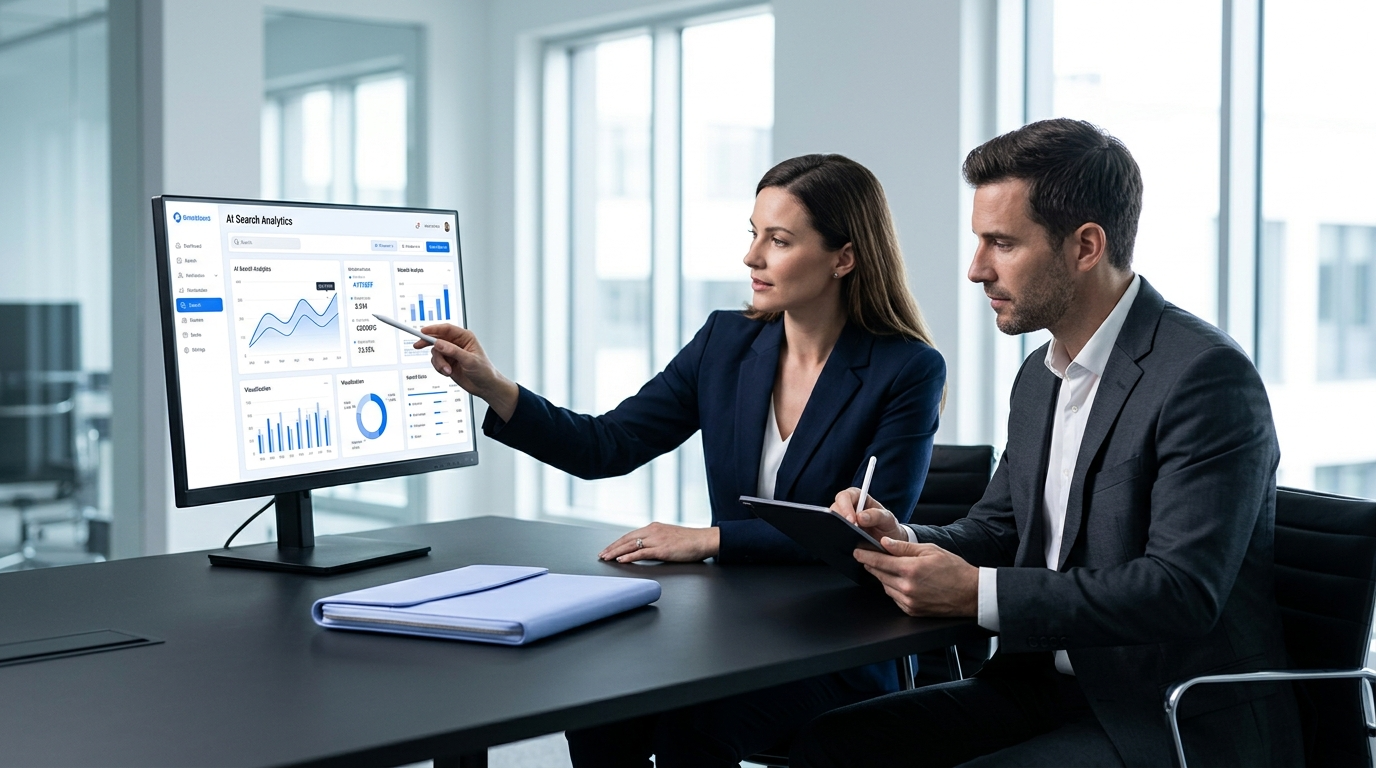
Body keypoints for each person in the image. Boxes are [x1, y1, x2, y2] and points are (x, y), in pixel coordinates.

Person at [793, 119, 1303, 767]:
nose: (977, 269)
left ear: (1086, 245)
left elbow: (1180, 591)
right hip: (1041, 685)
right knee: (832, 745)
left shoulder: (1203, 377)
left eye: (1001, 243)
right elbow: (999, 528)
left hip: (1165, 712)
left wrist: (979, 592)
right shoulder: (1040, 375)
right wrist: (904, 538)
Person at [419, 154, 947, 767]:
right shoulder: (726, 343)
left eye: (778, 240)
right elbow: (605, 446)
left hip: (837, 644)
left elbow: (862, 537)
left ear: (844, 257)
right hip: (729, 627)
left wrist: (708, 539)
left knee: (691, 730)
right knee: (599, 704)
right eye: (753, 234)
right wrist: (491, 385)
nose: (752, 257)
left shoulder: (906, 369)